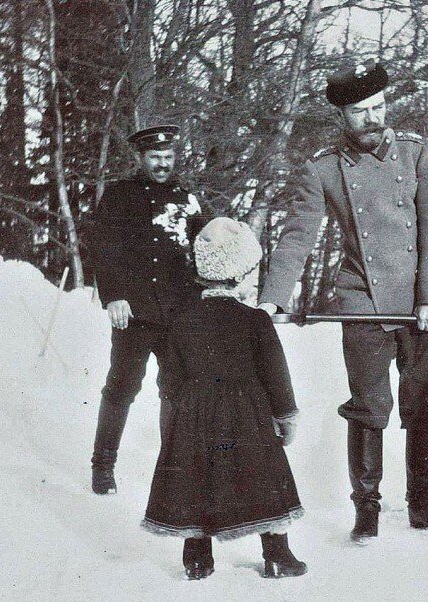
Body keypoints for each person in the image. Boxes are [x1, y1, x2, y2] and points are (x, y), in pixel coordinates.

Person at [257, 60, 428, 543]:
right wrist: (273, 299)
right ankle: (366, 508)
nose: (373, 118)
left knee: (427, 403)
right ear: (341, 116)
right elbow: (298, 234)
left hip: (419, 303)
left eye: (379, 107)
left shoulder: (417, 153)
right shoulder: (323, 167)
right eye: (361, 111)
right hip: (362, 297)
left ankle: (421, 503)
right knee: (369, 406)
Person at [142, 217, 307, 580]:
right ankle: (277, 555)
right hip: (247, 416)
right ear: (241, 275)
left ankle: (198, 560)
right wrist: (285, 416)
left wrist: (180, 411)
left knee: (196, 479)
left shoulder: (181, 320)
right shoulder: (254, 321)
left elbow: (168, 378)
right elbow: (276, 375)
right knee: (264, 474)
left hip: (194, 414)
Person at [88, 125, 212, 495]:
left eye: (168, 157)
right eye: (155, 157)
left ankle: (173, 468)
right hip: (134, 313)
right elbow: (103, 247)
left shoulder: (187, 200)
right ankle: (103, 465)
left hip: (178, 313)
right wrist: (114, 296)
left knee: (175, 391)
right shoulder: (119, 196)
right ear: (141, 158)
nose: (162, 164)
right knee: (122, 388)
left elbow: (203, 250)